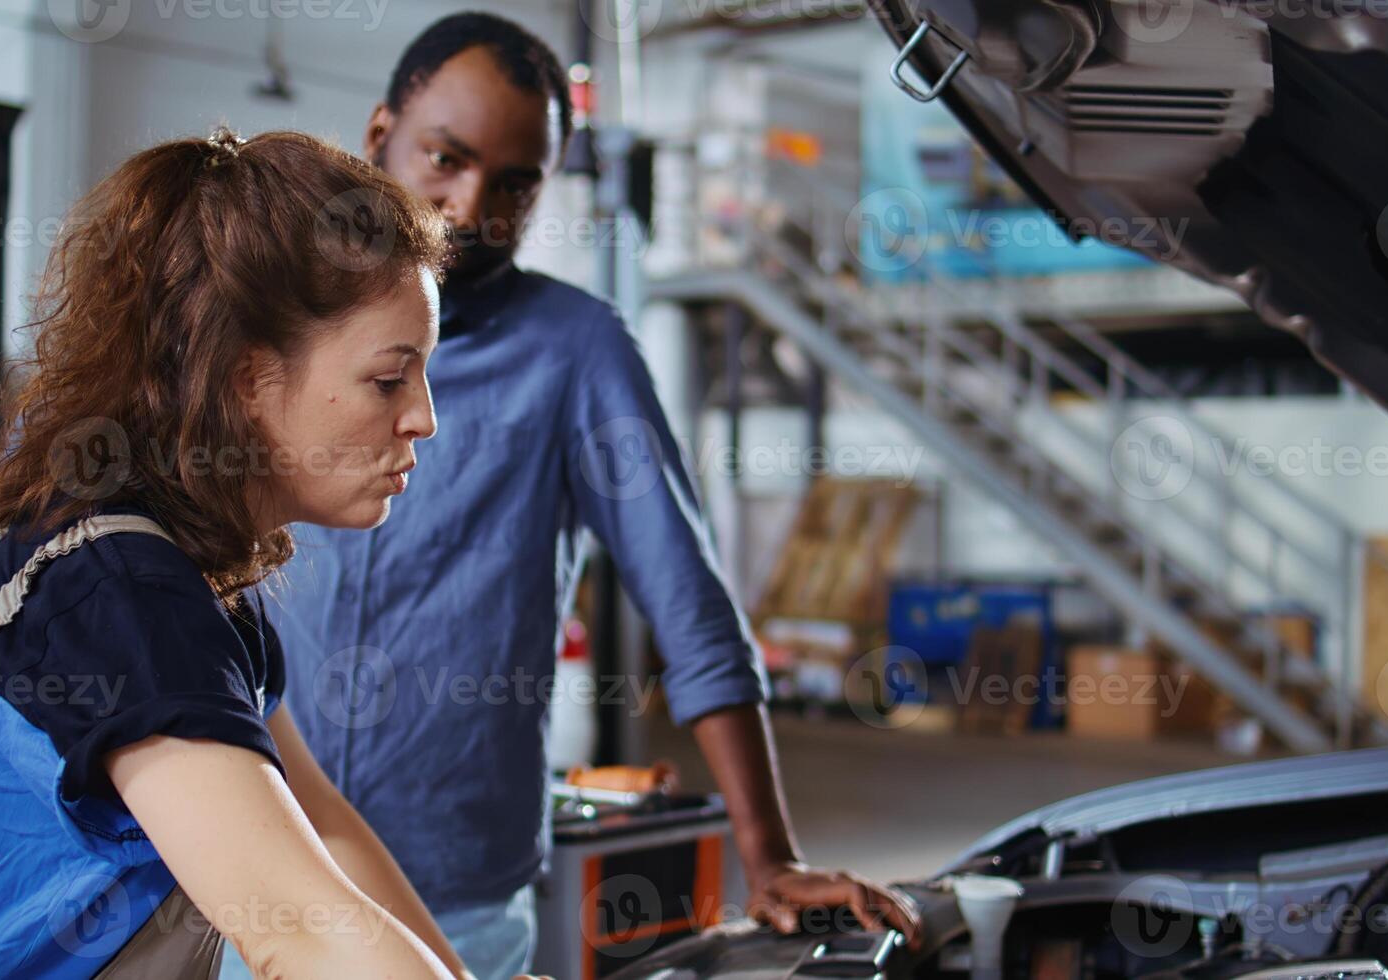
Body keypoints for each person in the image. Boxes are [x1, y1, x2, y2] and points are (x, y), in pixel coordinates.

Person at [251, 12, 923, 980]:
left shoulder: (574, 353)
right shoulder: (273, 323)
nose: (469, 203)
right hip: (241, 871)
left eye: (516, 182)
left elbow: (689, 604)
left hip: (459, 893)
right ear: (377, 136)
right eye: (444, 157)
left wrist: (769, 856)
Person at [0, 129, 500, 979]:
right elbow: (295, 929)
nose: (423, 417)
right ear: (249, 379)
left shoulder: (192, 581)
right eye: (390, 378)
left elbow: (320, 828)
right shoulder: (120, 597)